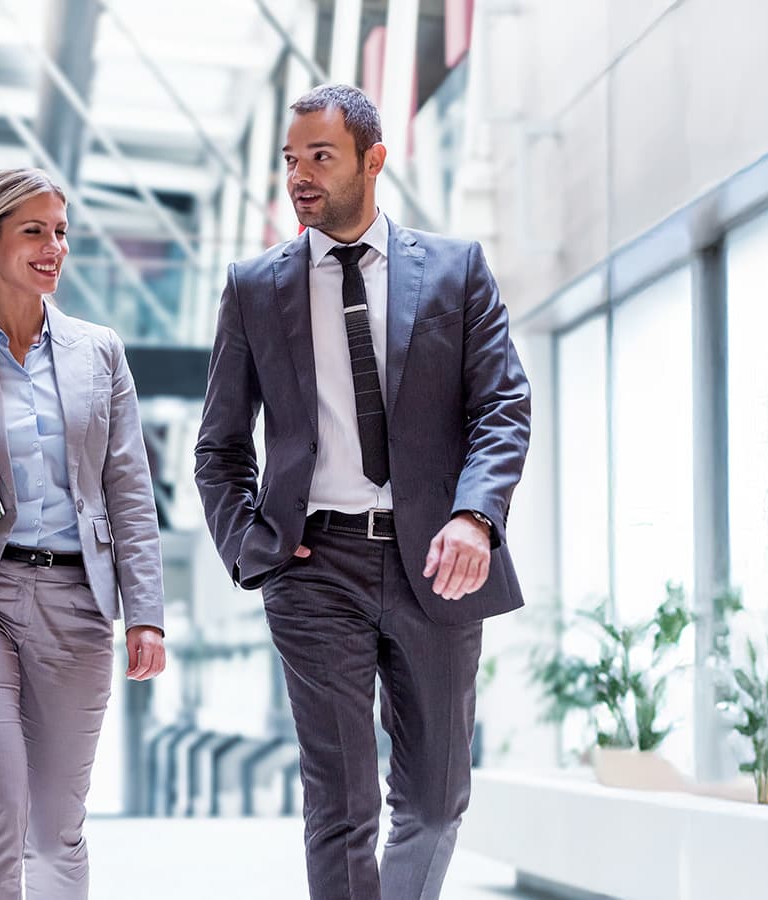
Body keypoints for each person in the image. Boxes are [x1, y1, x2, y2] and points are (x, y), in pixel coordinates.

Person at [194, 84, 531, 900]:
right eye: (289, 161)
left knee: (436, 798)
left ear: (374, 160)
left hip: (439, 560)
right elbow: (221, 446)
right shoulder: (254, 288)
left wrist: (475, 518)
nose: (299, 177)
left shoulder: (456, 271)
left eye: (320, 157)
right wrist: (256, 551)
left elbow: (502, 407)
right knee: (340, 808)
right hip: (315, 569)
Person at [0, 167, 166, 900]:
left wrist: (145, 615)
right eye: (35, 231)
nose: (55, 248)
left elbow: (129, 491)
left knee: (55, 829)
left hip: (77, 604)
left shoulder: (100, 352)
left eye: (62, 231)